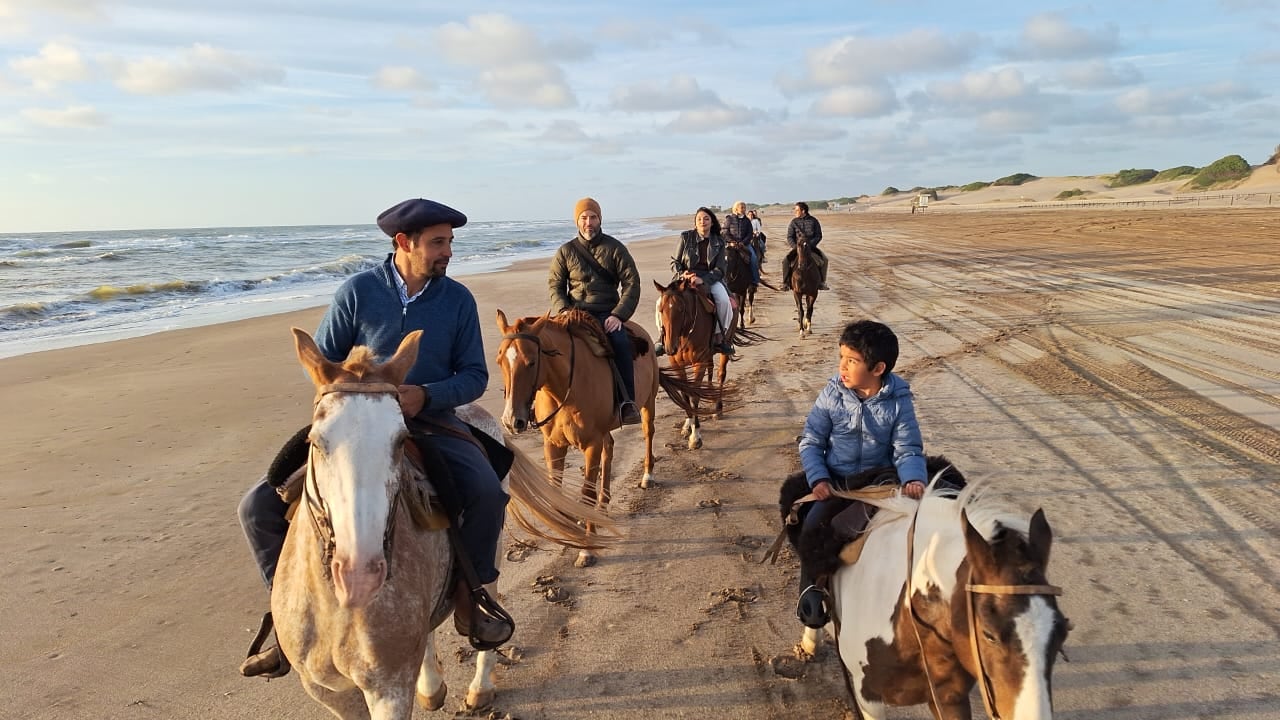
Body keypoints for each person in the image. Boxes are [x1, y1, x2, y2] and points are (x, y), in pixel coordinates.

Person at [238, 198, 513, 676]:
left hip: (431, 419)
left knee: (487, 492)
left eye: (449, 242)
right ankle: (285, 620)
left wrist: (424, 395)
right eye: (438, 243)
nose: (448, 252)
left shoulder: (458, 300)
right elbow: (323, 365)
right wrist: (356, 398)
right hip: (359, 421)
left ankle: (474, 599)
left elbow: (474, 376)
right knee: (256, 507)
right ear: (404, 243)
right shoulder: (358, 291)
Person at [794, 319, 926, 629]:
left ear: (878, 368)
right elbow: (811, 440)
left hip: (879, 483)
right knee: (812, 526)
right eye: (842, 357)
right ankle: (810, 594)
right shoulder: (832, 394)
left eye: (852, 361)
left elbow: (907, 447)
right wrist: (819, 479)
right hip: (838, 483)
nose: (842, 366)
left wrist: (913, 478)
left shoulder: (899, 401)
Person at [547, 197, 643, 426]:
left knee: (619, 343)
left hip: (606, 313)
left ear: (600, 219)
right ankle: (540, 403)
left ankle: (626, 402)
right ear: (577, 221)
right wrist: (563, 311)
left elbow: (632, 283)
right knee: (545, 346)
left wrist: (618, 315)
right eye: (584, 218)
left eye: (593, 217)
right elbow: (555, 285)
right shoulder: (565, 251)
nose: (588, 222)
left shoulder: (615, 248)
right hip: (574, 313)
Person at [654, 206, 735, 357]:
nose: (702, 222)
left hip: (710, 278)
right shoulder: (685, 237)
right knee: (660, 302)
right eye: (699, 219)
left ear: (712, 222)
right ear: (695, 223)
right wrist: (681, 273)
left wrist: (702, 280)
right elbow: (674, 262)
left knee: (724, 301)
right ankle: (662, 337)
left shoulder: (719, 241)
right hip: (685, 277)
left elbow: (720, 269)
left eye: (706, 219)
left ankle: (719, 337)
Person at [783, 201, 829, 290]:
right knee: (785, 261)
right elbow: (789, 237)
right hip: (797, 248)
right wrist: (795, 247)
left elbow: (818, 235)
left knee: (825, 260)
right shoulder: (793, 222)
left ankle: (822, 282)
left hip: (811, 248)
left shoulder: (814, 221)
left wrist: (809, 245)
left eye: (797, 210)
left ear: (803, 211)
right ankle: (785, 283)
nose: (795, 212)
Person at [724, 201, 760, 286]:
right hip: (732, 245)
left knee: (754, 258)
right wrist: (731, 241)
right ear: (736, 208)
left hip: (745, 244)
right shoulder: (729, 219)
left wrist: (743, 242)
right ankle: (724, 279)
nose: (744, 209)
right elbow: (724, 231)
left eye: (744, 207)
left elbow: (749, 233)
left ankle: (755, 280)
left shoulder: (747, 220)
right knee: (724, 259)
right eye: (742, 207)